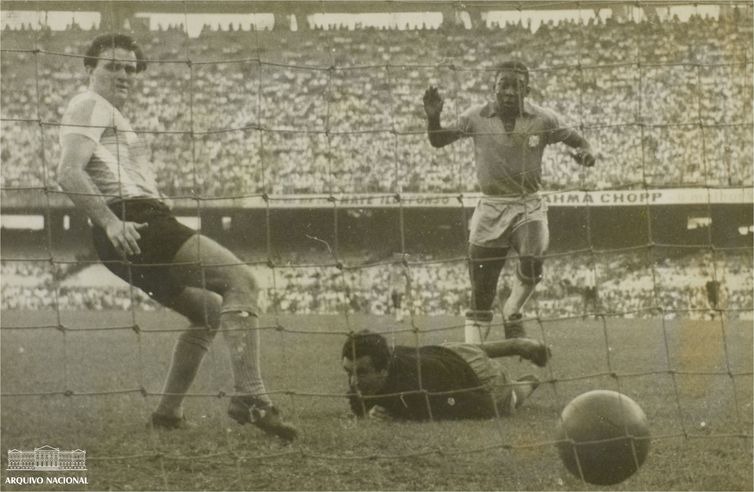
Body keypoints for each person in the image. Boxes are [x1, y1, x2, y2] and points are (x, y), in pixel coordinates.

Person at [56, 33, 297, 440]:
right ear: (88, 69)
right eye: (112, 66)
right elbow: (67, 172)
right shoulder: (88, 103)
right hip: (133, 223)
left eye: (131, 68)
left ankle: (168, 413)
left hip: (127, 230)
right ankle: (250, 397)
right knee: (242, 281)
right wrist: (111, 222)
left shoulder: (112, 115)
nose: (124, 75)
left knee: (206, 315)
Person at [423, 61, 595, 343]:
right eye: (504, 84)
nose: (510, 91)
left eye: (517, 86)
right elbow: (438, 141)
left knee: (533, 253)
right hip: (490, 206)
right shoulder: (475, 117)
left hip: (528, 203)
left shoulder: (543, 119)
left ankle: (513, 309)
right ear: (494, 87)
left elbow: (580, 141)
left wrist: (587, 153)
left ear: (527, 89)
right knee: (481, 292)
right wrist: (433, 119)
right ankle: (474, 357)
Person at [341, 330, 551, 421]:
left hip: (476, 374)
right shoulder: (381, 356)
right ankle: (515, 345)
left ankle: (528, 383)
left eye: (361, 372)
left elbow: (479, 405)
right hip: (447, 351)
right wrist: (368, 410)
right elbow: (357, 401)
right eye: (349, 372)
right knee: (464, 351)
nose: (353, 382)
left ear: (383, 370)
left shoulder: (416, 390)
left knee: (504, 402)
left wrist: (400, 414)